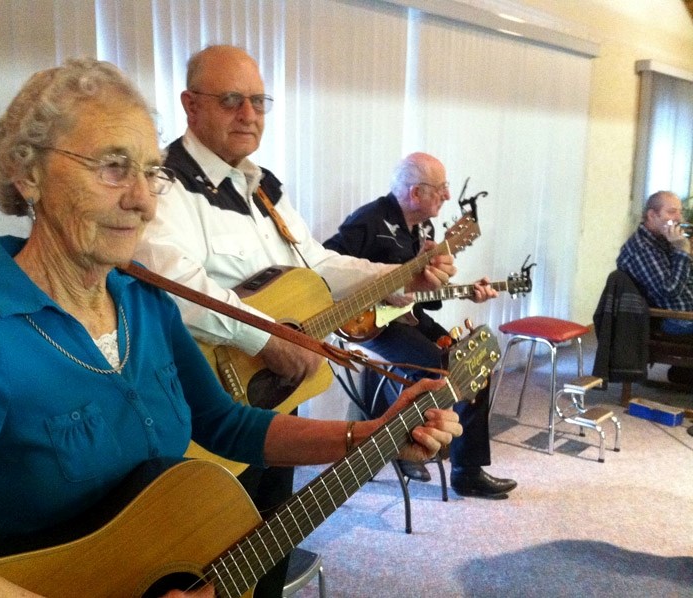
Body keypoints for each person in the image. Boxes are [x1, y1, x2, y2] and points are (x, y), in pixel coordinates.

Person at [0, 58, 462, 598]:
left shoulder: (144, 300)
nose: (142, 201)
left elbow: (225, 423)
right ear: (28, 173)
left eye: (150, 172)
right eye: (113, 167)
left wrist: (366, 436)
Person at [134, 45, 458, 596]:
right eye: (232, 99)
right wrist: (267, 336)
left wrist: (404, 273)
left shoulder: (263, 189)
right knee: (203, 562)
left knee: (270, 542)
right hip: (203, 410)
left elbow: (320, 266)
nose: (249, 114)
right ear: (191, 106)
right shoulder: (163, 185)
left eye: (259, 101)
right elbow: (173, 282)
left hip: (276, 396)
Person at [323, 152, 517, 499]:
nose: (447, 195)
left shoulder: (425, 229)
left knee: (474, 363)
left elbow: (422, 295)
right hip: (367, 324)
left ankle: (468, 471)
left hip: (406, 318)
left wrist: (468, 292)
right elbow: (326, 270)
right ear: (415, 193)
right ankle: (399, 445)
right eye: (441, 188)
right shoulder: (370, 220)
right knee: (435, 368)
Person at [616, 190, 693, 388]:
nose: (679, 218)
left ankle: (683, 373)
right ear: (652, 215)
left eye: (680, 212)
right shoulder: (642, 248)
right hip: (675, 319)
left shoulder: (664, 240)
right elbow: (669, 291)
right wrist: (682, 252)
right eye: (672, 212)